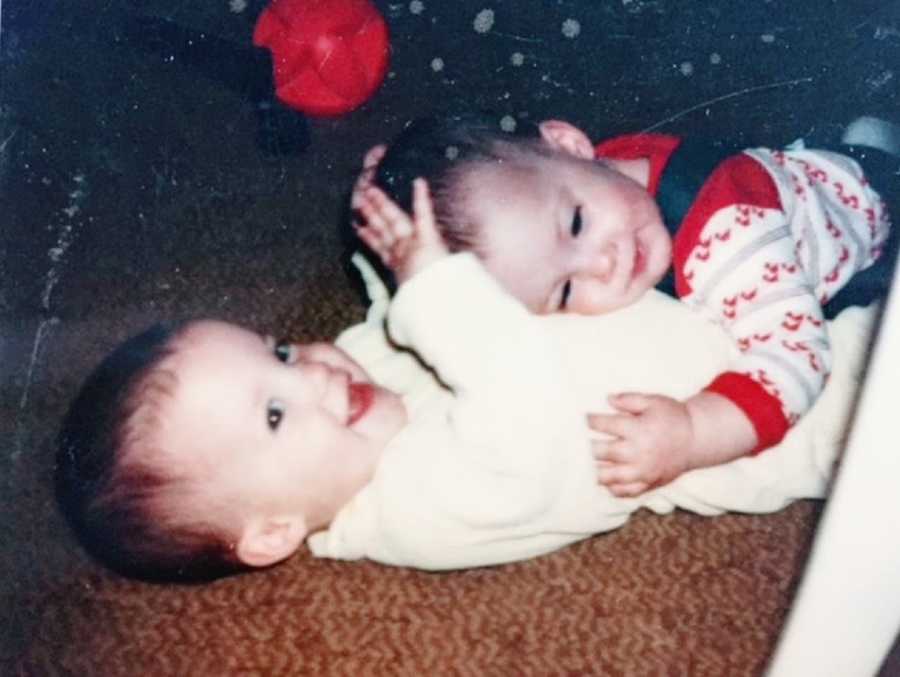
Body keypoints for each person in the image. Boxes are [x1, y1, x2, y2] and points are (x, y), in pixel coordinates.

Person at [56, 180, 874, 580]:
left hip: (725, 293)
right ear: (273, 530)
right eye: (273, 413)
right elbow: (523, 409)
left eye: (276, 350)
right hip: (808, 417)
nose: (310, 371)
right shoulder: (418, 510)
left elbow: (387, 327)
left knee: (792, 196)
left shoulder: (350, 398)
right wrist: (434, 288)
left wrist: (396, 252)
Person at [354, 112, 898, 497]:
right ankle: (867, 143)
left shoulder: (735, 243)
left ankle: (871, 150)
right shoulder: (591, 177)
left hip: (873, 236)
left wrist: (692, 432)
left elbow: (798, 360)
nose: (603, 264)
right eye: (565, 290)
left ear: (568, 144)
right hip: (806, 171)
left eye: (576, 224)